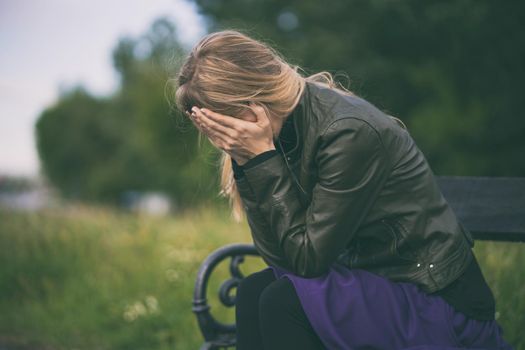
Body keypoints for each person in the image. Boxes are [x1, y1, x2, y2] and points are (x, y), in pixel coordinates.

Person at [174, 30, 514, 349]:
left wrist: (261, 161)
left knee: (282, 303)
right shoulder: (280, 134)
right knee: (252, 292)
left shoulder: (346, 132)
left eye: (226, 122)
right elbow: (281, 260)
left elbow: (307, 262)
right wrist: (247, 161)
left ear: (252, 105)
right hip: (374, 284)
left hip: (434, 302)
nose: (228, 136)